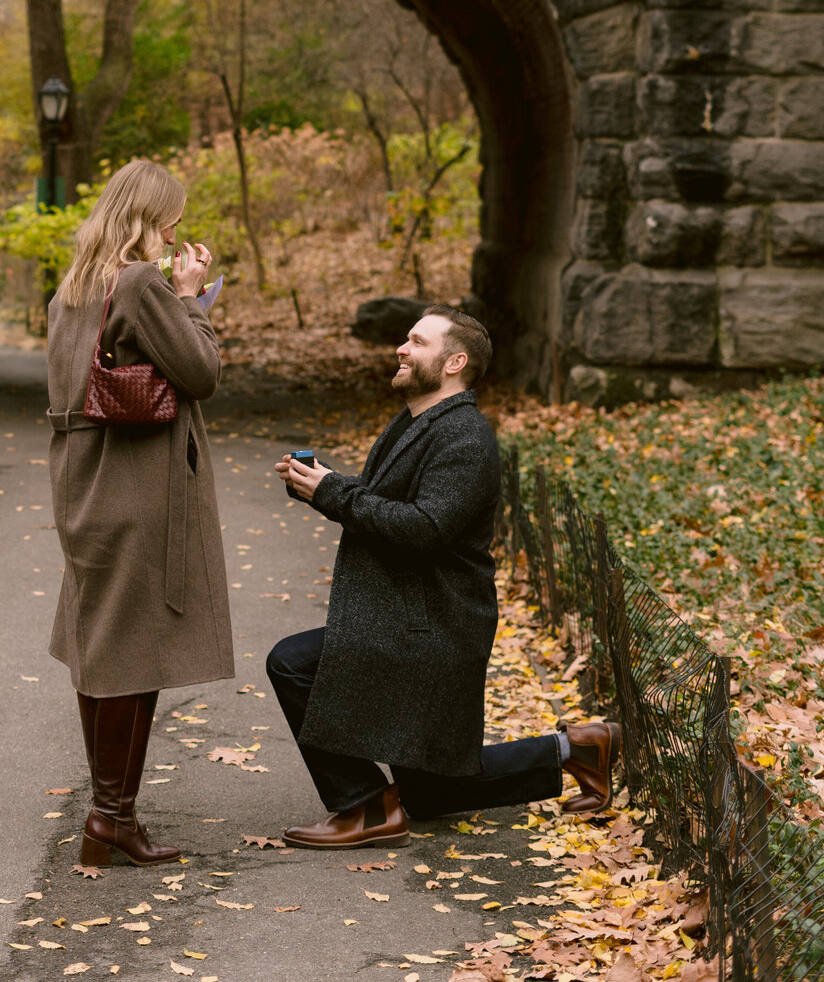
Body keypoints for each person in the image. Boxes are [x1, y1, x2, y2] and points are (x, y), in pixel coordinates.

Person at [266, 306, 620, 848]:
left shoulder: (466, 438)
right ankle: (577, 750)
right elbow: (384, 502)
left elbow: (425, 528)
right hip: (410, 613)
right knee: (431, 793)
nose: (401, 350)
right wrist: (321, 484)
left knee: (291, 663)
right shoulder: (419, 422)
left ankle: (364, 808)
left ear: (455, 362)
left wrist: (334, 493)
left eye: (416, 342)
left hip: (432, 624)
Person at [46, 159, 234, 866]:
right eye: (170, 220)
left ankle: (112, 815)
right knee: (132, 654)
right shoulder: (139, 281)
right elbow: (201, 374)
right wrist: (189, 298)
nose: (174, 234)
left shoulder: (75, 286)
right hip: (134, 487)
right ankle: (110, 818)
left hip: (82, 481)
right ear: (149, 217)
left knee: (105, 648)